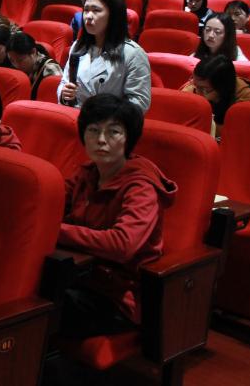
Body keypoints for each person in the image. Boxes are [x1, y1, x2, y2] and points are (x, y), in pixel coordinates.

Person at [57, 94, 176, 338]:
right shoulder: (87, 173)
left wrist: (56, 232)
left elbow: (122, 244)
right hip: (80, 276)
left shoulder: (141, 186)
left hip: (117, 295)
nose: (101, 140)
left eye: (113, 132)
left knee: (44, 308)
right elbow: (49, 206)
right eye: (93, 130)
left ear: (128, 138)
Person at [58, 0, 152, 113]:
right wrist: (65, 95)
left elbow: (139, 103)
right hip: (76, 117)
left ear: (113, 15)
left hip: (109, 122)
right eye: (86, 10)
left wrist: (103, 113)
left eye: (96, 10)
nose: (88, 16)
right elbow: (64, 82)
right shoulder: (78, 46)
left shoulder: (133, 53)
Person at [181, 55, 250, 139]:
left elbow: (237, 131)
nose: (198, 92)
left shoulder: (246, 98)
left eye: (206, 89)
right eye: (195, 85)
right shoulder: (192, 87)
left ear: (223, 87)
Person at [6, 31, 62, 100]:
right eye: (12, 61)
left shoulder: (50, 69)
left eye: (20, 60)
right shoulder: (13, 67)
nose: (16, 65)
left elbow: (55, 99)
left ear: (33, 52)